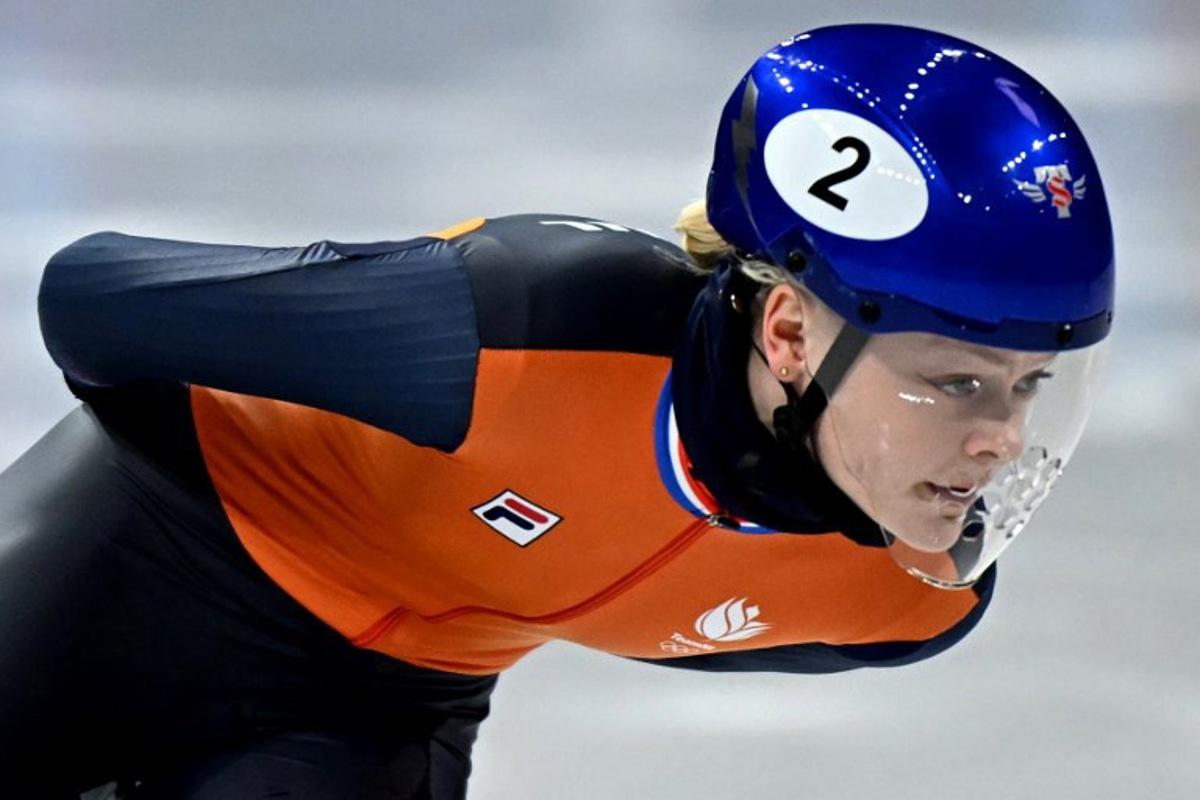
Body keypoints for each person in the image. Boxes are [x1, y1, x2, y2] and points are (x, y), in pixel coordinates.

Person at [0, 23, 1114, 799]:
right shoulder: (529, 328)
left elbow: (613, 574)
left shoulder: (900, 599)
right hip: (143, 560)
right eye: (957, 379)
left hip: (362, 709)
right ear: (787, 333)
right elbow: (94, 299)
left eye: (1030, 385)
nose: (1002, 439)